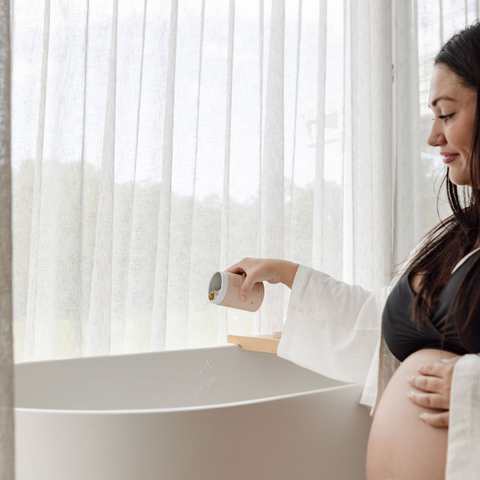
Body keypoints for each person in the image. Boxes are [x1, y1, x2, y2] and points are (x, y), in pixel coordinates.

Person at [226, 22, 480, 480]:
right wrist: (286, 274)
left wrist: (473, 388)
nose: (433, 138)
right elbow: (379, 324)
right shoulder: (456, 240)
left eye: (446, 114)